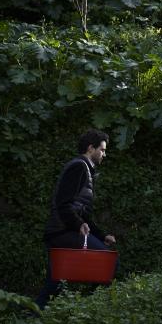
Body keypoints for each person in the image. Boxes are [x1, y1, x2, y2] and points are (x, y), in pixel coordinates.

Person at [35, 129, 115, 309]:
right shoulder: (79, 167)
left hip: (61, 230)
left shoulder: (85, 170)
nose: (104, 154)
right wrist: (78, 224)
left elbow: (83, 213)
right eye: (102, 150)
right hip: (63, 231)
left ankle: (30, 319)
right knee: (106, 262)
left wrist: (101, 236)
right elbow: (63, 204)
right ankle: (89, 309)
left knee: (54, 283)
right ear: (90, 148)